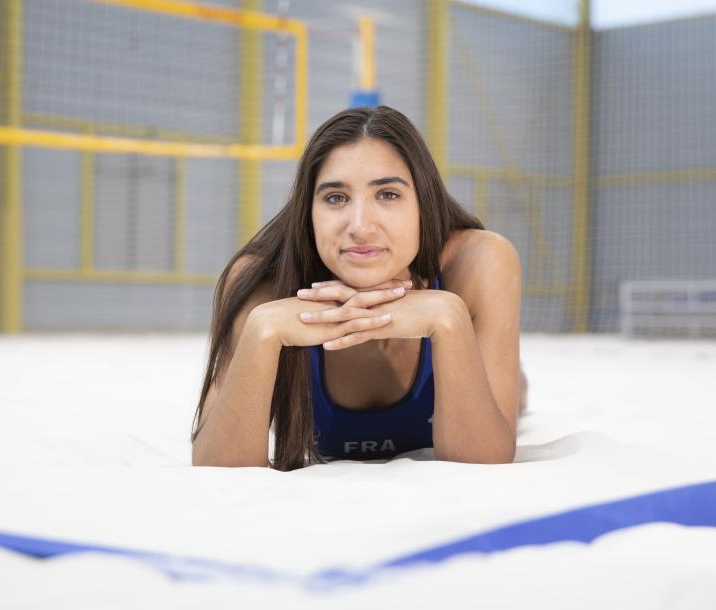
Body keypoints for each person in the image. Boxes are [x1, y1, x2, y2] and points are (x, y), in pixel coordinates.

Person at [191, 106, 526, 471]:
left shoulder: (478, 262)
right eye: (336, 198)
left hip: (484, 350)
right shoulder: (260, 283)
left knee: (515, 395)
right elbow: (216, 471)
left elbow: (485, 459)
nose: (361, 226)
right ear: (308, 213)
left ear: (423, 204)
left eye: (387, 195)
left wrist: (449, 320)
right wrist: (262, 332)